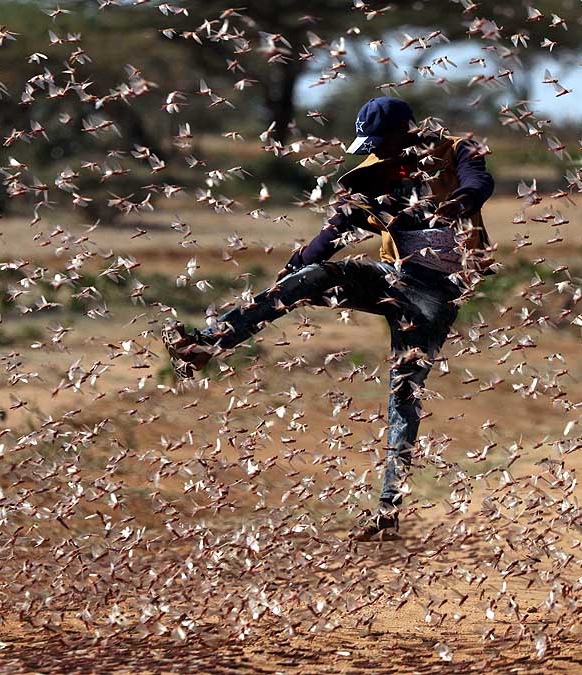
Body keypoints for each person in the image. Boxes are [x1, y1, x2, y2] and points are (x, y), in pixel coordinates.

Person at [163, 97, 495, 541]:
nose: (378, 151)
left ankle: (387, 511)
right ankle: (208, 344)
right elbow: (336, 230)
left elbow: (480, 182)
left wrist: (457, 204)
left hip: (437, 293)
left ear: (407, 130)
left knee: (404, 393)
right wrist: (295, 268)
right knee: (315, 276)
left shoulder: (455, 150)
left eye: (383, 142)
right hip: (394, 277)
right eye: (372, 145)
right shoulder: (371, 175)